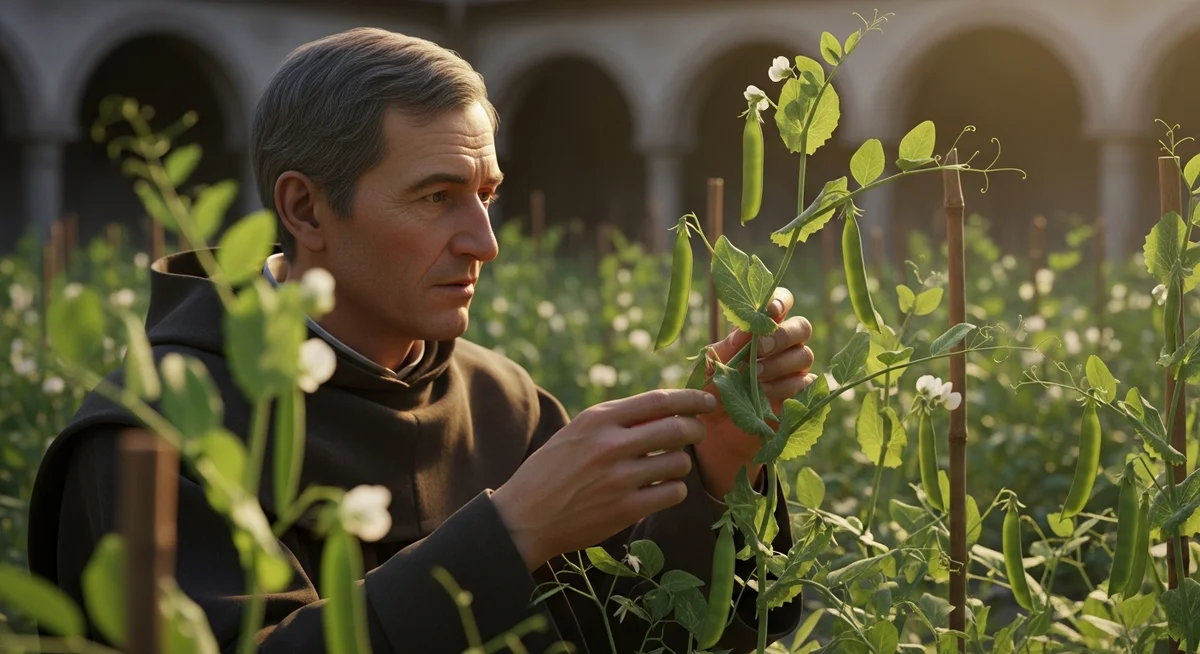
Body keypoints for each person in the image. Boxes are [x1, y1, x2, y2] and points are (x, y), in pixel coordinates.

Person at [26, 28, 817, 653]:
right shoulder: (157, 433)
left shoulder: (502, 401)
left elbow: (642, 635)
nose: (484, 241)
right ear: (305, 211)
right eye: (437, 196)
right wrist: (511, 534)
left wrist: (723, 464)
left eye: (486, 194)